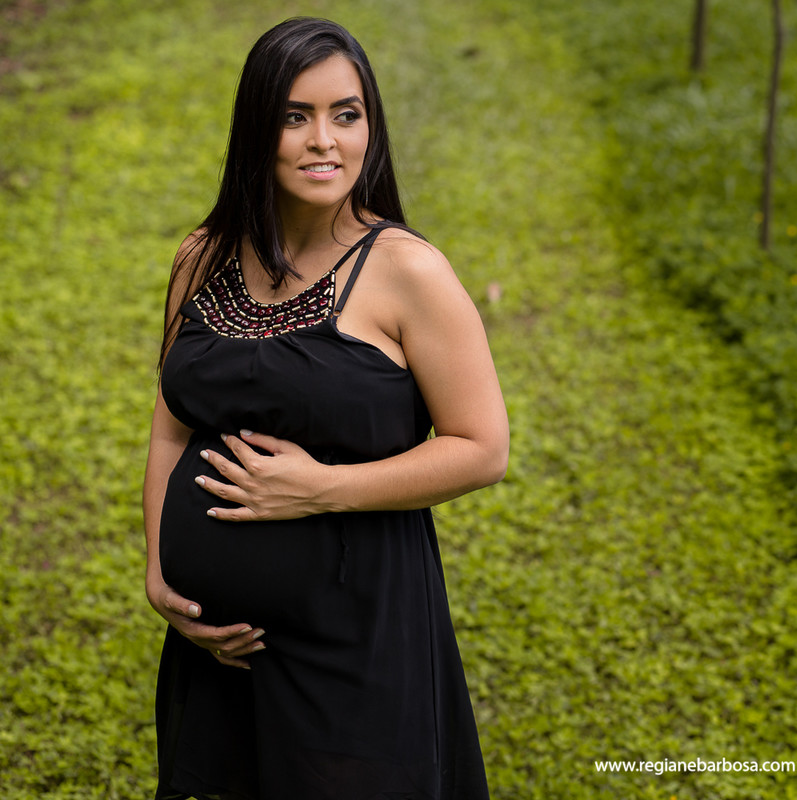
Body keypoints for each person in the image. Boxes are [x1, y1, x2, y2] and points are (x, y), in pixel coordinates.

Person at [141, 17, 508, 800]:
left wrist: (322, 489)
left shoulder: (409, 272)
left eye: (346, 114)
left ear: (370, 128)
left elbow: (482, 447)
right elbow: (173, 417)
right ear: (256, 130)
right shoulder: (200, 257)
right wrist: (158, 570)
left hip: (356, 635)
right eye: (294, 116)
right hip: (218, 653)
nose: (324, 141)